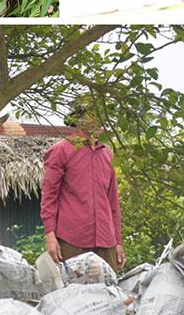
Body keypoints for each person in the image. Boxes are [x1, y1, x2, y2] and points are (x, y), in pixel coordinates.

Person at [40, 99, 125, 269]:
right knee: (73, 292)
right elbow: (49, 195)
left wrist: (118, 241)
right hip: (72, 239)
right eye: (91, 114)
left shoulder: (107, 154)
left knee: (108, 291)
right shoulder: (61, 150)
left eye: (100, 114)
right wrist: (50, 235)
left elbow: (112, 202)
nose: (97, 118)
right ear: (79, 118)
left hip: (106, 240)